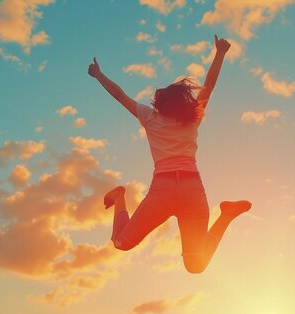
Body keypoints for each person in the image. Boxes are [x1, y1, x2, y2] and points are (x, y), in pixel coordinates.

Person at [88, 35, 251, 274]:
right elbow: (209, 86)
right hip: (189, 188)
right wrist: (220, 53)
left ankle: (121, 196)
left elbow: (120, 95)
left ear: (159, 103)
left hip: (166, 190)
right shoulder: (192, 117)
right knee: (196, 265)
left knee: (122, 243)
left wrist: (99, 75)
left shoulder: (150, 117)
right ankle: (225, 215)